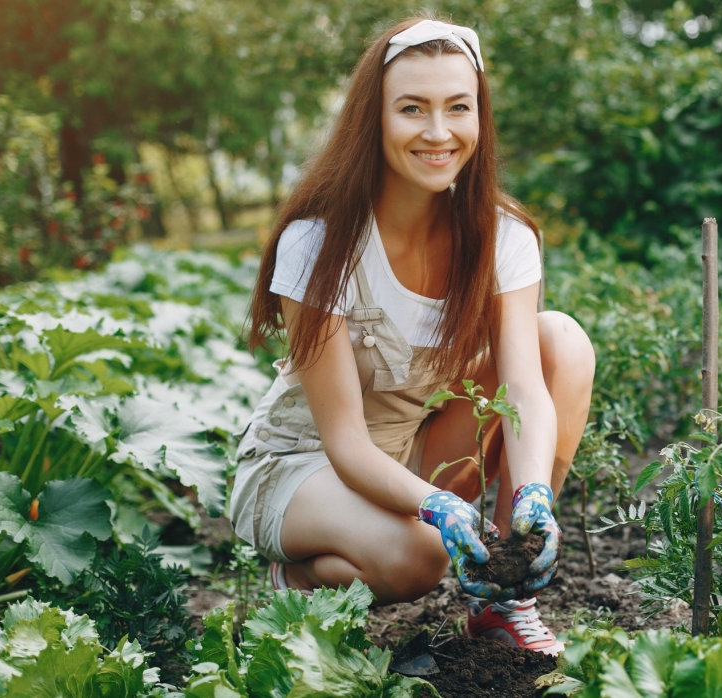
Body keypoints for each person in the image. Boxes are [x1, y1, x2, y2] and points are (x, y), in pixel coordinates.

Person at [229, 17, 595, 656]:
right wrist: (441, 507)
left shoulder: (503, 237)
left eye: (458, 107)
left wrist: (532, 496)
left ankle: (503, 601)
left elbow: (525, 391)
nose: (438, 132)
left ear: (479, 116)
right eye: (412, 109)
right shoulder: (317, 244)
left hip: (410, 451)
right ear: (374, 119)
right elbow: (344, 442)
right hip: (302, 464)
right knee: (420, 560)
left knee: (558, 340)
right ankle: (294, 578)